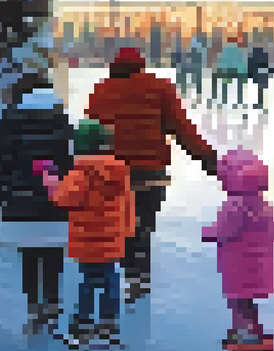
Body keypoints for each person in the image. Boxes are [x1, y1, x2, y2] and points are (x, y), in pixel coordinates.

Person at [84, 46, 218, 304]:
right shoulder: (161, 87)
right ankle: (140, 277)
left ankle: (126, 275)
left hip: (112, 172)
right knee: (143, 224)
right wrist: (208, 159)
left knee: (119, 223)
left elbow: (90, 132)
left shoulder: (101, 90)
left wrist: (82, 168)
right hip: (150, 172)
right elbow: (182, 128)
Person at [0, 79, 75, 336]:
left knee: (30, 254)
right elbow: (70, 166)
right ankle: (52, 303)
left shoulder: (10, 122)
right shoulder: (62, 122)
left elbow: (1, 167)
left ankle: (34, 306)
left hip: (20, 200)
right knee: (53, 253)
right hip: (55, 200)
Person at [41, 120, 134, 349]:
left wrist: (49, 179)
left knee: (88, 282)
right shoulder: (120, 170)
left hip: (88, 241)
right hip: (112, 239)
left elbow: (63, 199)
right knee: (110, 279)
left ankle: (82, 328)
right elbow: (128, 203)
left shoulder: (80, 172)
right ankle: (109, 327)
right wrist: (127, 230)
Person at [202, 148, 274, 351]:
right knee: (248, 303)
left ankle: (245, 338)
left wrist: (207, 233)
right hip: (259, 264)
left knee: (238, 303)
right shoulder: (263, 204)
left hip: (238, 266)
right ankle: (256, 333)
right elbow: (273, 231)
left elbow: (224, 230)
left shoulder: (235, 205)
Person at [215, 36, 249, 108]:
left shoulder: (224, 50)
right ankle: (239, 100)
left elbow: (221, 61)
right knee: (239, 86)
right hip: (237, 71)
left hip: (227, 70)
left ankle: (224, 100)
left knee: (225, 85)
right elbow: (242, 62)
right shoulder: (239, 50)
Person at [248, 45, 274, 110]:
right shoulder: (264, 55)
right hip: (262, 73)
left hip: (259, 74)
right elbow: (268, 64)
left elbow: (251, 64)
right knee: (261, 89)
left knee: (260, 89)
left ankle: (261, 103)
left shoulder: (254, 55)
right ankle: (262, 103)